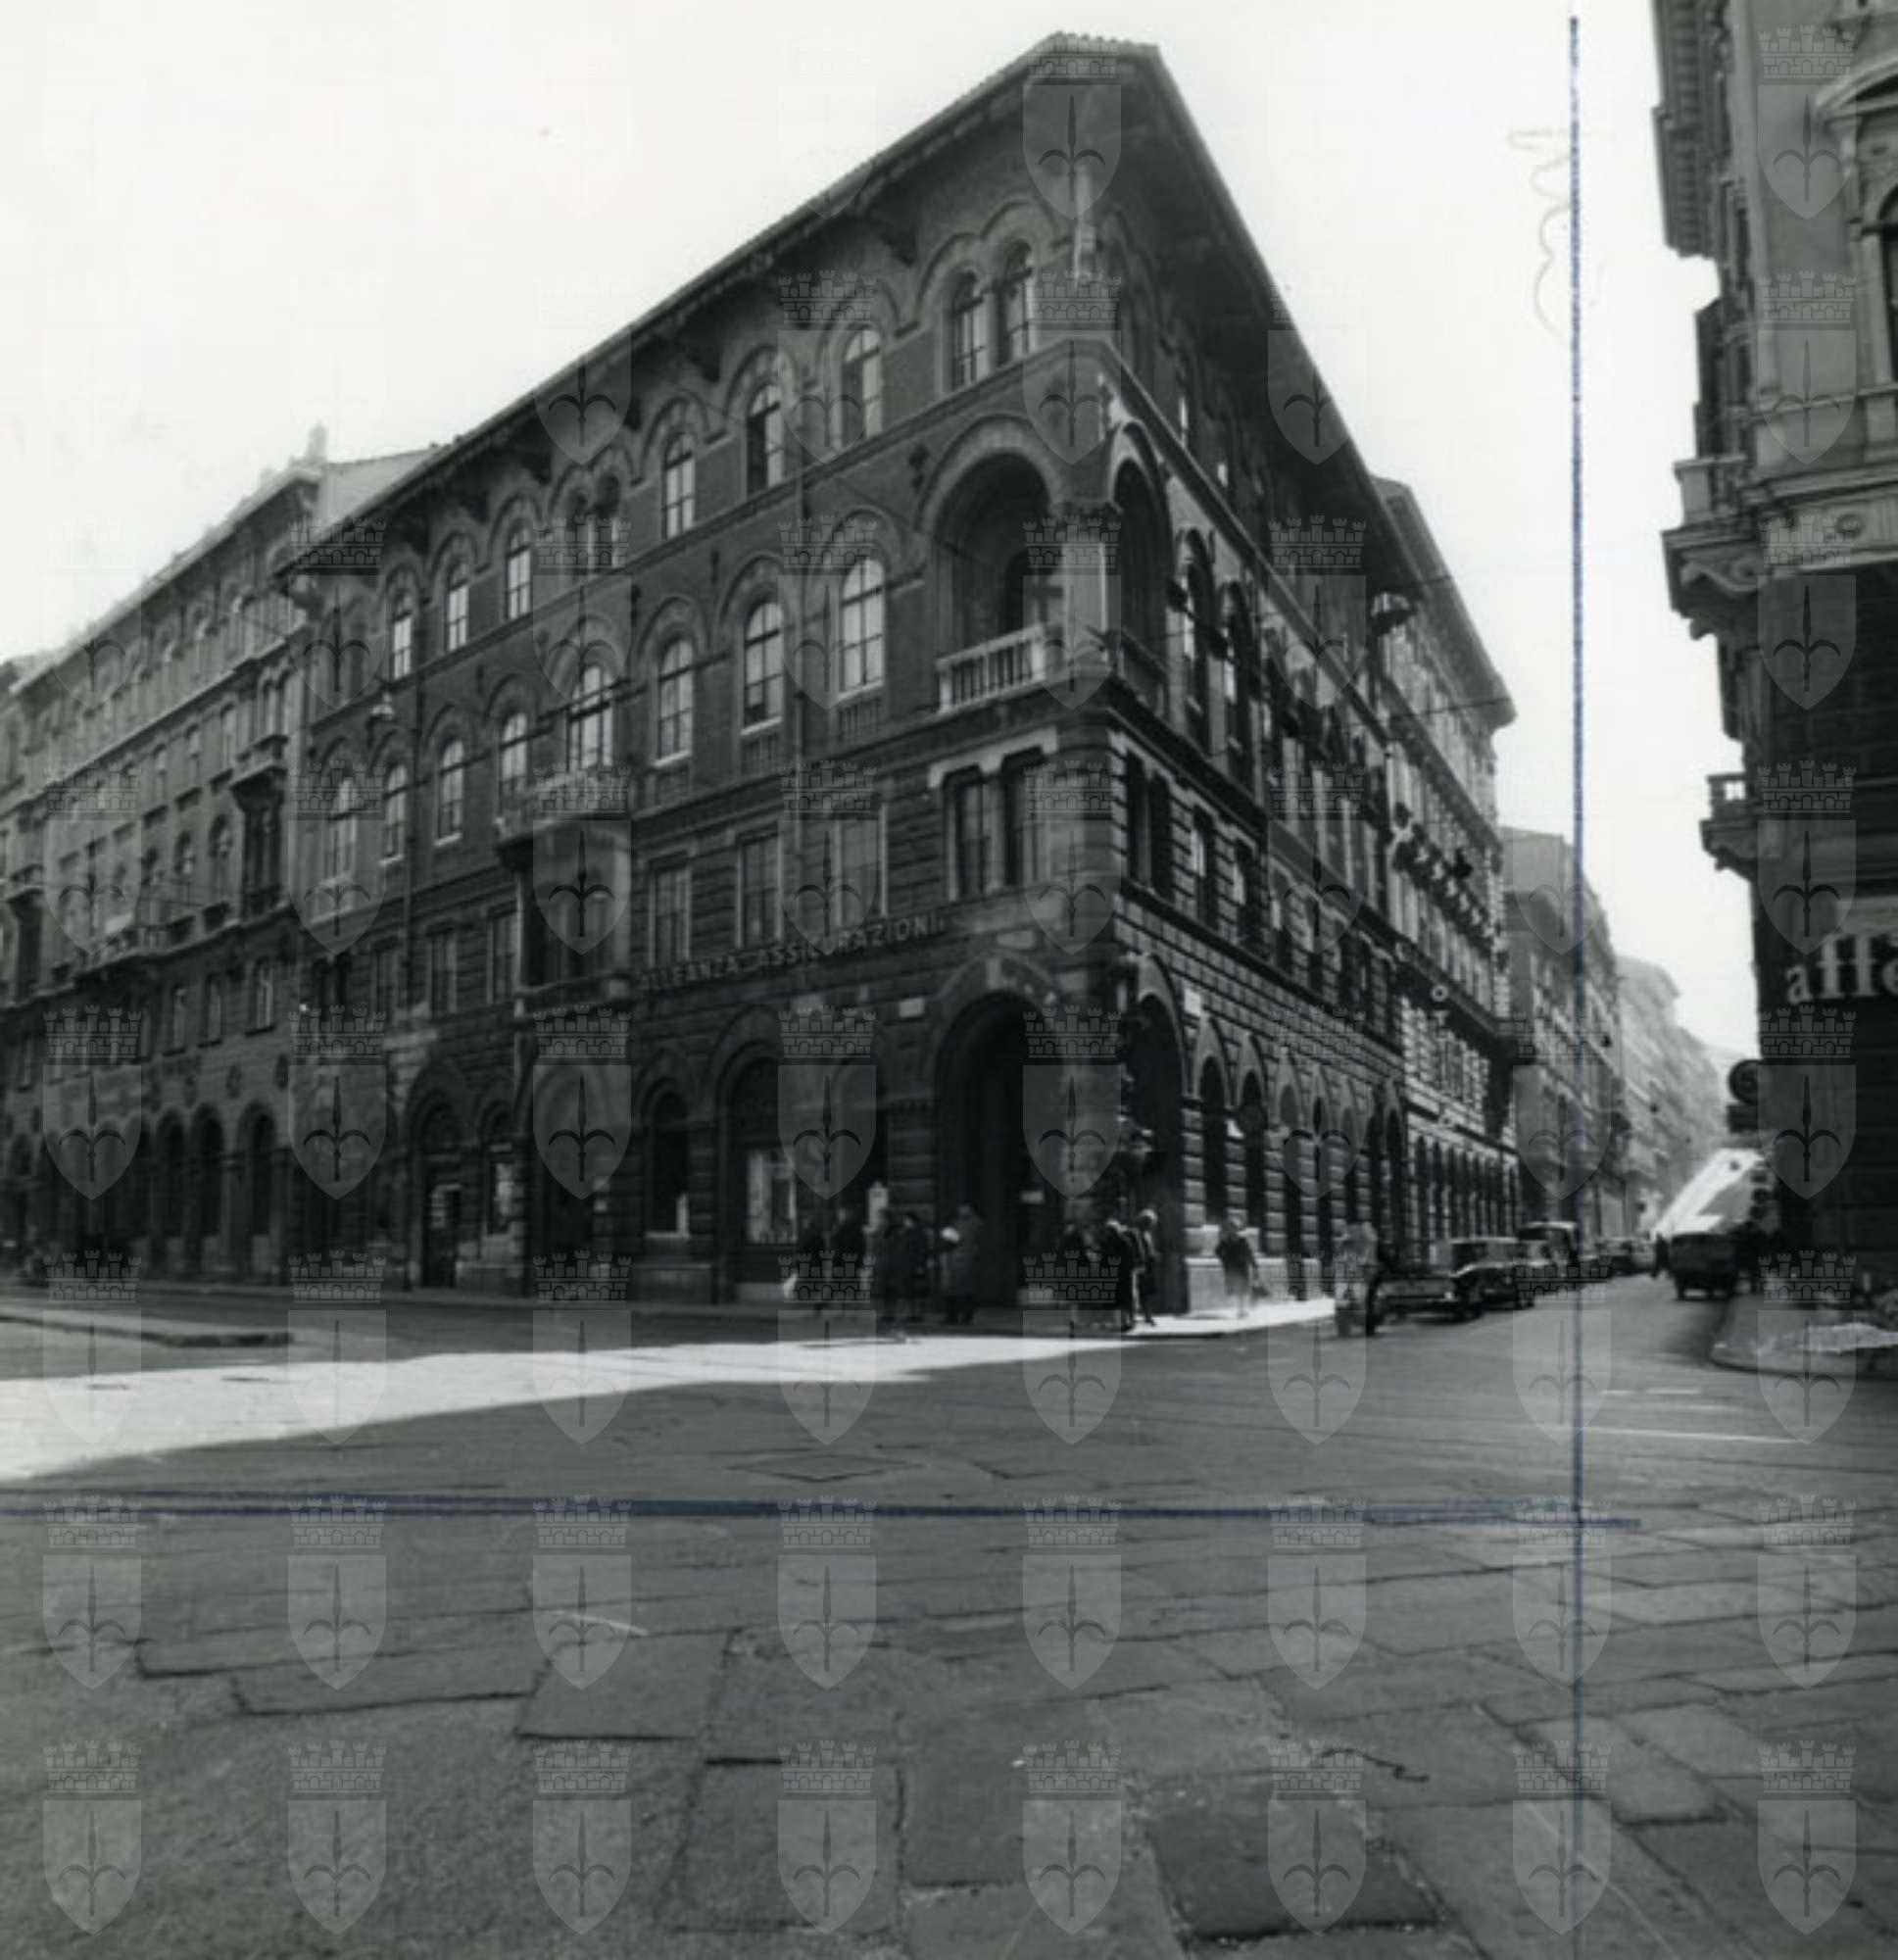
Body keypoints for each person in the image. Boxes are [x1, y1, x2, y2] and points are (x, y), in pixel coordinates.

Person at [943, 1203, 981, 1326]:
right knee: (963, 1290)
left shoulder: (963, 1224)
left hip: (960, 1259)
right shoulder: (976, 1223)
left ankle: (955, 1316)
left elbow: (955, 1239)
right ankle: (963, 1317)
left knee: (956, 1289)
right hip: (964, 1259)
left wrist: (947, 1233)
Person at [871, 1211, 903, 1332]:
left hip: (893, 1264)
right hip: (881, 1264)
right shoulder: (879, 1232)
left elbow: (899, 1248)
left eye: (882, 1219)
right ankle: (886, 1313)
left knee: (892, 1290)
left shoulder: (895, 1233)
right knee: (883, 1290)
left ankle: (891, 1313)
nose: (881, 1221)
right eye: (880, 1219)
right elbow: (875, 1248)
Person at [900, 1211, 934, 1325]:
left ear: (912, 1221)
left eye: (906, 1220)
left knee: (918, 1291)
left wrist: (920, 1265)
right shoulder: (907, 1233)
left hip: (915, 1265)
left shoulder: (919, 1234)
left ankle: (918, 1314)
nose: (904, 1222)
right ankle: (912, 1314)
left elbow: (922, 1250)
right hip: (908, 1265)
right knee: (910, 1291)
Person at [1214, 1215, 1257, 1303]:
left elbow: (1249, 1253)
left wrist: (1254, 1265)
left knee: (1242, 1287)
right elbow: (1217, 1251)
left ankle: (1242, 1306)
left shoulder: (1242, 1240)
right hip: (1233, 1267)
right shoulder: (1226, 1240)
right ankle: (1240, 1305)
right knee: (1236, 1287)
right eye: (1232, 1227)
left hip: (1242, 1266)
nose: (1234, 1230)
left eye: (1236, 1227)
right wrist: (1224, 1259)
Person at [1131, 1208, 1161, 1327]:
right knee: (1138, 1292)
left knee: (1147, 1293)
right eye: (1149, 1222)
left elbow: (1149, 1249)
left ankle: (1148, 1316)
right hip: (1140, 1267)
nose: (1150, 1226)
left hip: (1148, 1267)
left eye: (1151, 1223)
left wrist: (1154, 1255)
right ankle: (1139, 1316)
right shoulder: (1136, 1233)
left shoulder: (1148, 1235)